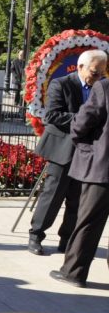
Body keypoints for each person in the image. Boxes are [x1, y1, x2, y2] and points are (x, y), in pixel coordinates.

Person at [28, 49, 107, 255]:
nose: (98, 77)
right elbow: (52, 116)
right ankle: (36, 235)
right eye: (94, 72)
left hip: (87, 152)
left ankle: (67, 240)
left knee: (77, 199)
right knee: (53, 195)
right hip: (62, 149)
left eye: (102, 74)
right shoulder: (61, 84)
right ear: (80, 67)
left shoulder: (100, 87)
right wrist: (84, 119)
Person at [50, 75, 109, 288]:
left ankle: (73, 272)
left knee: (88, 222)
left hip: (103, 167)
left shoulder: (104, 87)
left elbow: (82, 122)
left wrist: (86, 146)